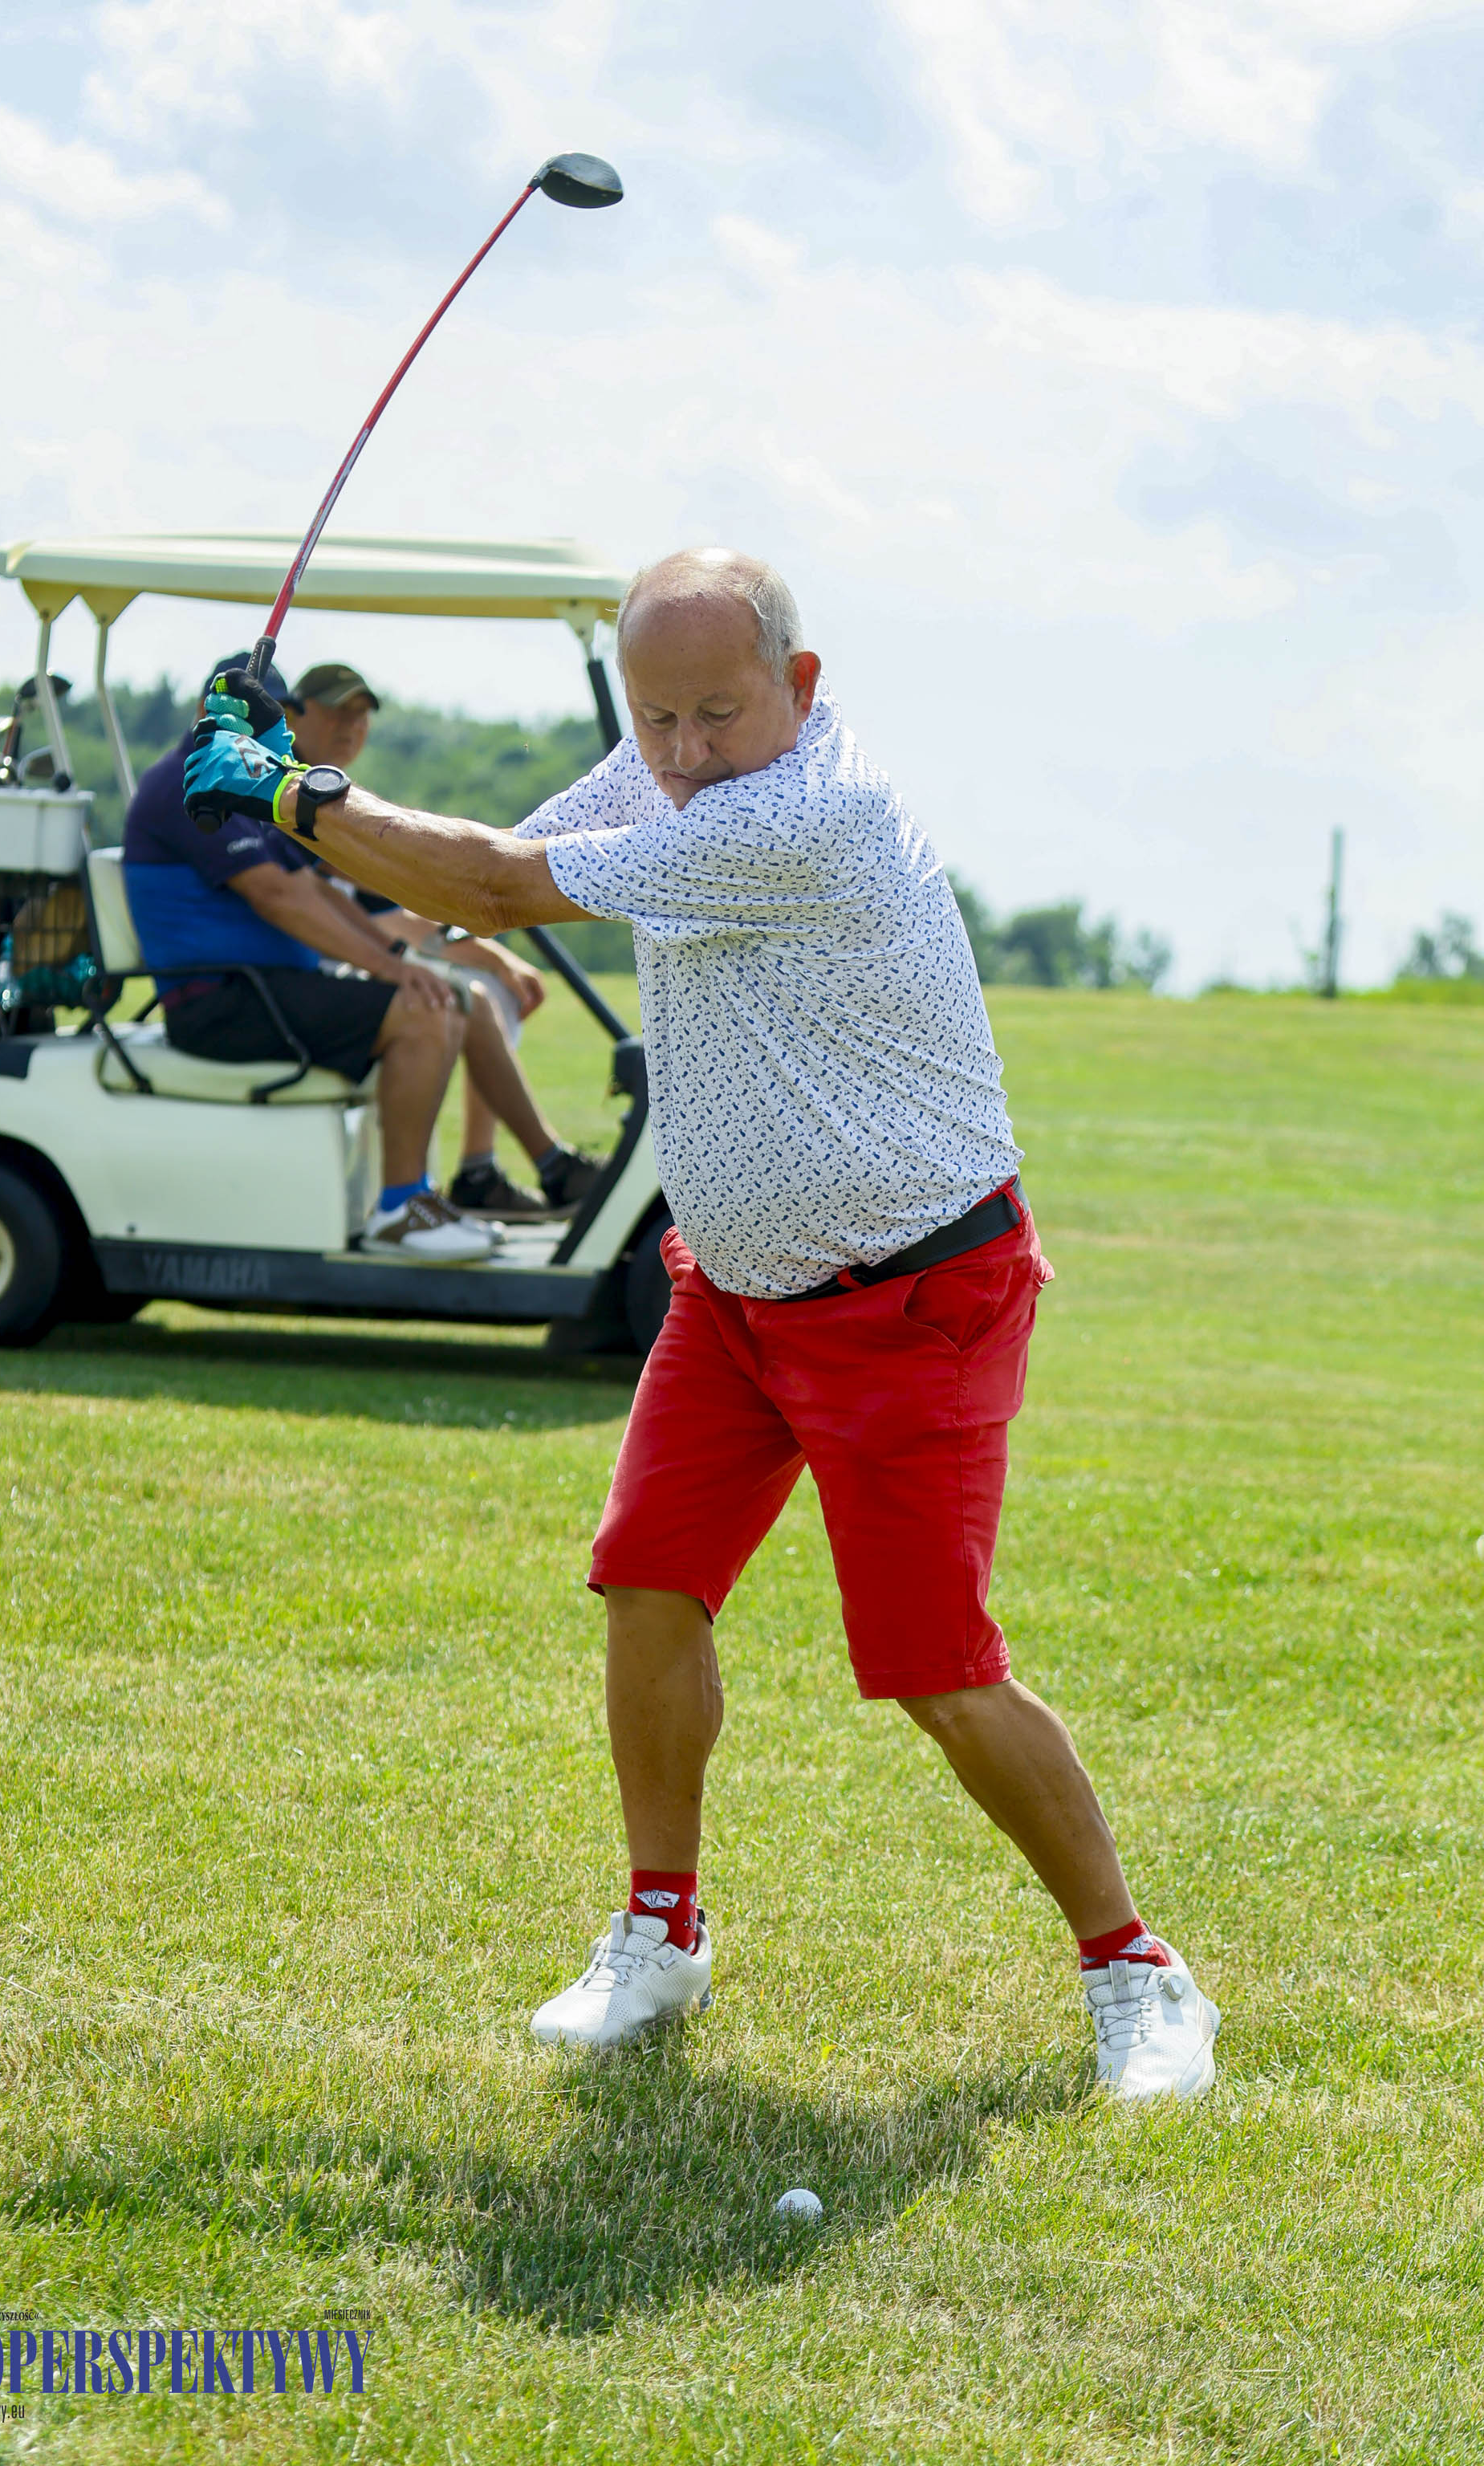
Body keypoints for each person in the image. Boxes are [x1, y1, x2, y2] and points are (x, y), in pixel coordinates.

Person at [183, 556, 1222, 2101]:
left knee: (935, 1668)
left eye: (716, 715)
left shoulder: (802, 811)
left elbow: (488, 891)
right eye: (654, 716)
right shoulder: (671, 766)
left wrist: (286, 785)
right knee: (647, 1582)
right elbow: (491, 854)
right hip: (730, 1292)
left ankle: (1135, 1968)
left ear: (801, 690)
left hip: (911, 1299)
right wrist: (314, 786)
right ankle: (658, 1933)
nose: (679, 750)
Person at [122, 652, 597, 1264]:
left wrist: (398, 957)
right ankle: (402, 1208)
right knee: (422, 1011)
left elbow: (316, 890)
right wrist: (393, 970)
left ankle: (540, 1169)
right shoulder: (194, 779)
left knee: (444, 996)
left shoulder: (243, 781)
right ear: (206, 708)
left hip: (267, 987)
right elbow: (279, 896)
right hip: (222, 1001)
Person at [284, 661, 601, 1223]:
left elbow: (400, 910)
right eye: (338, 711)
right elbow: (383, 925)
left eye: (362, 715)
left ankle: (483, 1168)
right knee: (467, 996)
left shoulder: (330, 802)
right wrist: (476, 954)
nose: (352, 726)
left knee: (492, 991)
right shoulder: (299, 803)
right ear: (292, 713)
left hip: (339, 969)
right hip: (307, 977)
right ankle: (520, 1168)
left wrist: (496, 955)